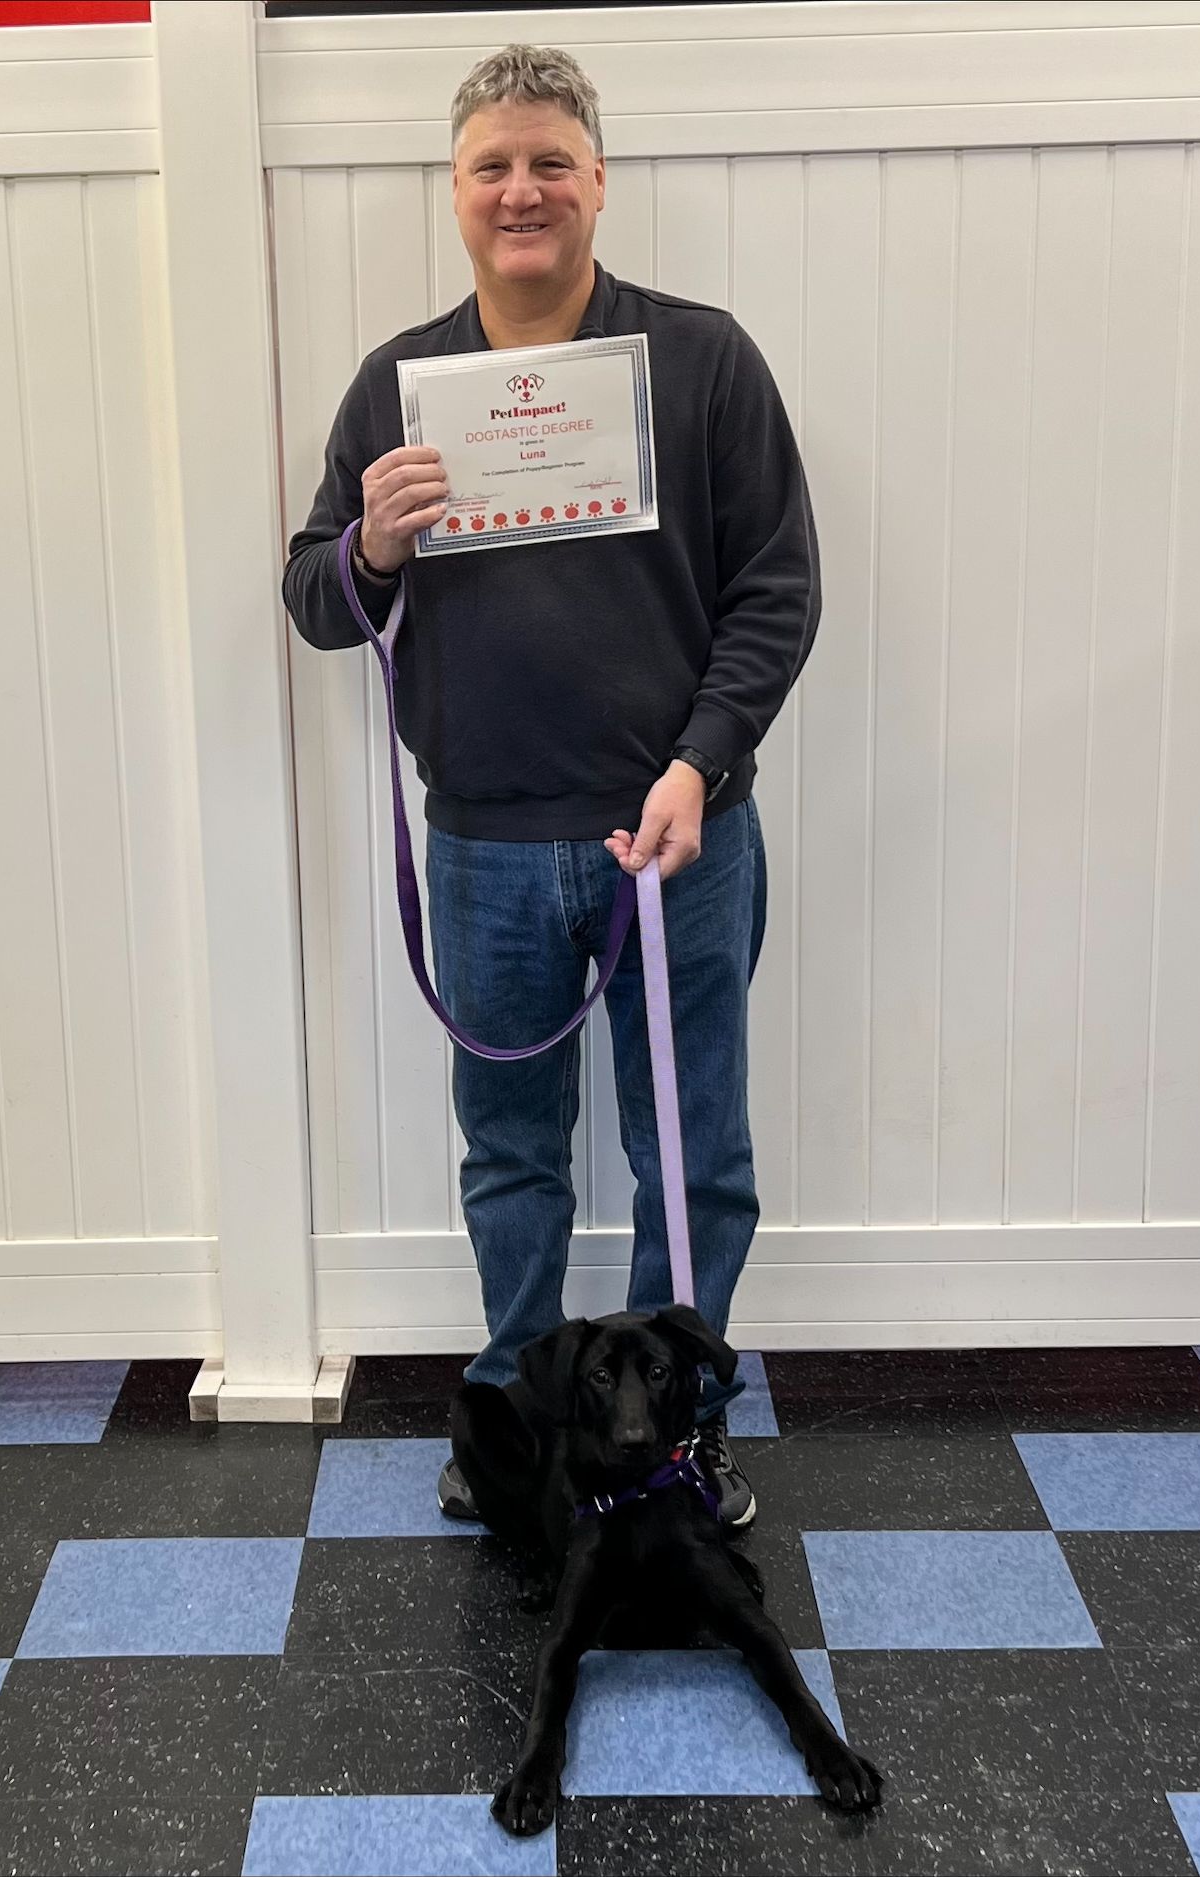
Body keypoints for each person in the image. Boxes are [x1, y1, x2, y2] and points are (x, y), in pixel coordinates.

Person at [281, 44, 818, 1529]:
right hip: (485, 851)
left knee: (692, 1156)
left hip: (679, 838)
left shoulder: (701, 362)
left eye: (549, 163)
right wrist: (370, 547)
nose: (521, 190)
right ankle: (520, 1423)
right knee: (510, 1151)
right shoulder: (400, 386)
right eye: (491, 167)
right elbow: (315, 598)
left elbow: (775, 590)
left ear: (597, 183)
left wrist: (699, 765)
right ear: (453, 195)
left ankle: (677, 1439)